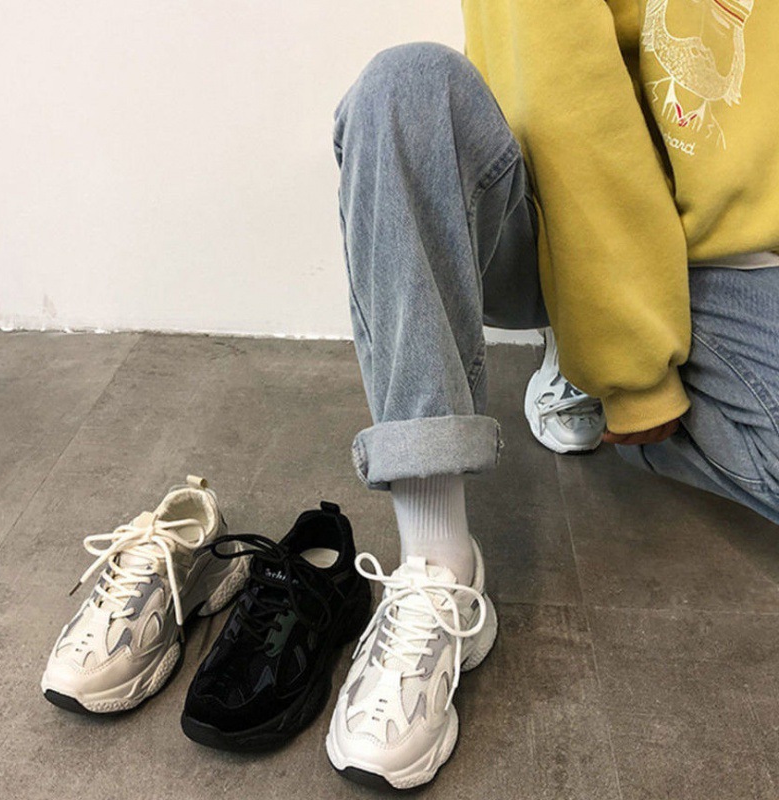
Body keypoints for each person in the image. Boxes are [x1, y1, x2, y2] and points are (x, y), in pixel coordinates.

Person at [324, 0, 779, 789]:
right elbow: (570, 111)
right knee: (404, 89)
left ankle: (587, 368)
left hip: (751, 245)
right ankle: (440, 563)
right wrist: (633, 374)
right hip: (573, 214)